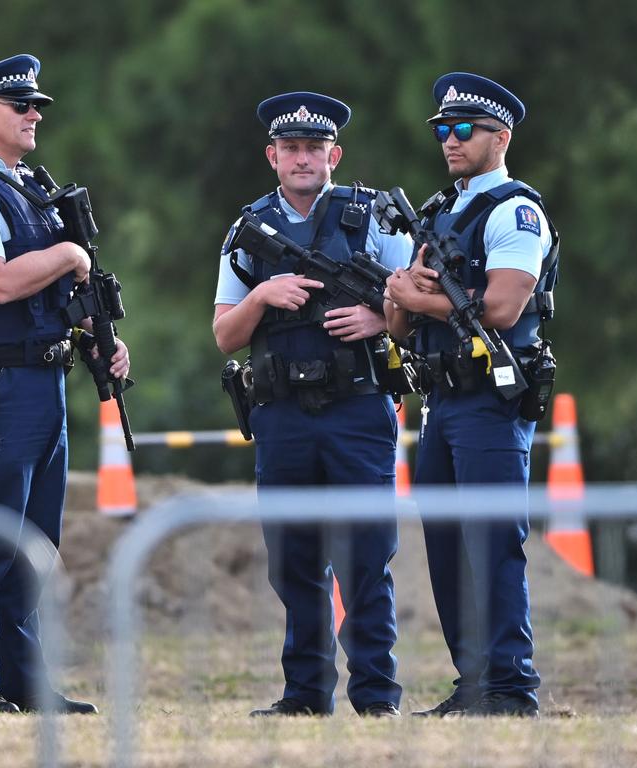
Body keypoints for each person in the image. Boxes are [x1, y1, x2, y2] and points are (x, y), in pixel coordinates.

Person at [0, 54, 129, 714]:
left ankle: (21, 680)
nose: (35, 114)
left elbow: (61, 289)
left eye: (36, 105)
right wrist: (69, 256)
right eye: (21, 106)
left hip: (43, 381)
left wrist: (101, 337)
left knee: (34, 545)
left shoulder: (31, 189)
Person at [213, 92, 412, 718]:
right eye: (291, 148)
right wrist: (263, 295)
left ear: (336, 155)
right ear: (272, 156)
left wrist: (381, 317)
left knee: (366, 557)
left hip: (359, 409)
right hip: (283, 414)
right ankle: (304, 696)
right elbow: (225, 334)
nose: (303, 159)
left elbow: (420, 307)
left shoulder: (374, 219)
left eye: (314, 149)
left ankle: (377, 696)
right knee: (294, 561)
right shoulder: (247, 230)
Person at [384, 72, 559, 718]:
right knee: (448, 546)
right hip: (442, 401)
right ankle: (473, 681)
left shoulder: (515, 210)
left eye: (464, 130)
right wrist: (400, 299)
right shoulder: (436, 213)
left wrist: (412, 297)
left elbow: (505, 307)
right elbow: (398, 320)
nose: (449, 141)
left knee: (492, 539)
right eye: (442, 130)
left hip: (491, 396)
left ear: (500, 137)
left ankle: (511, 686)